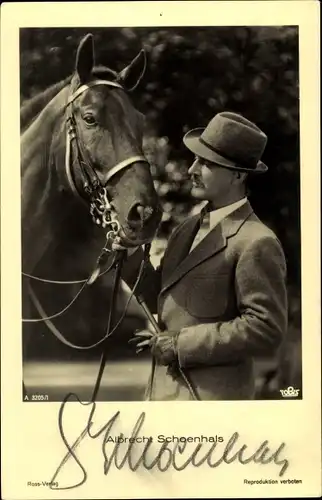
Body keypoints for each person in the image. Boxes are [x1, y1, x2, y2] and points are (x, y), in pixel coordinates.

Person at [119, 111, 288, 401]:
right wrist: (130, 249)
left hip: (211, 404)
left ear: (237, 174)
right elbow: (161, 295)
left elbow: (266, 328)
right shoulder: (185, 230)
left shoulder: (257, 241)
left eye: (207, 163)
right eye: (195, 159)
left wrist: (181, 344)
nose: (191, 170)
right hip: (162, 397)